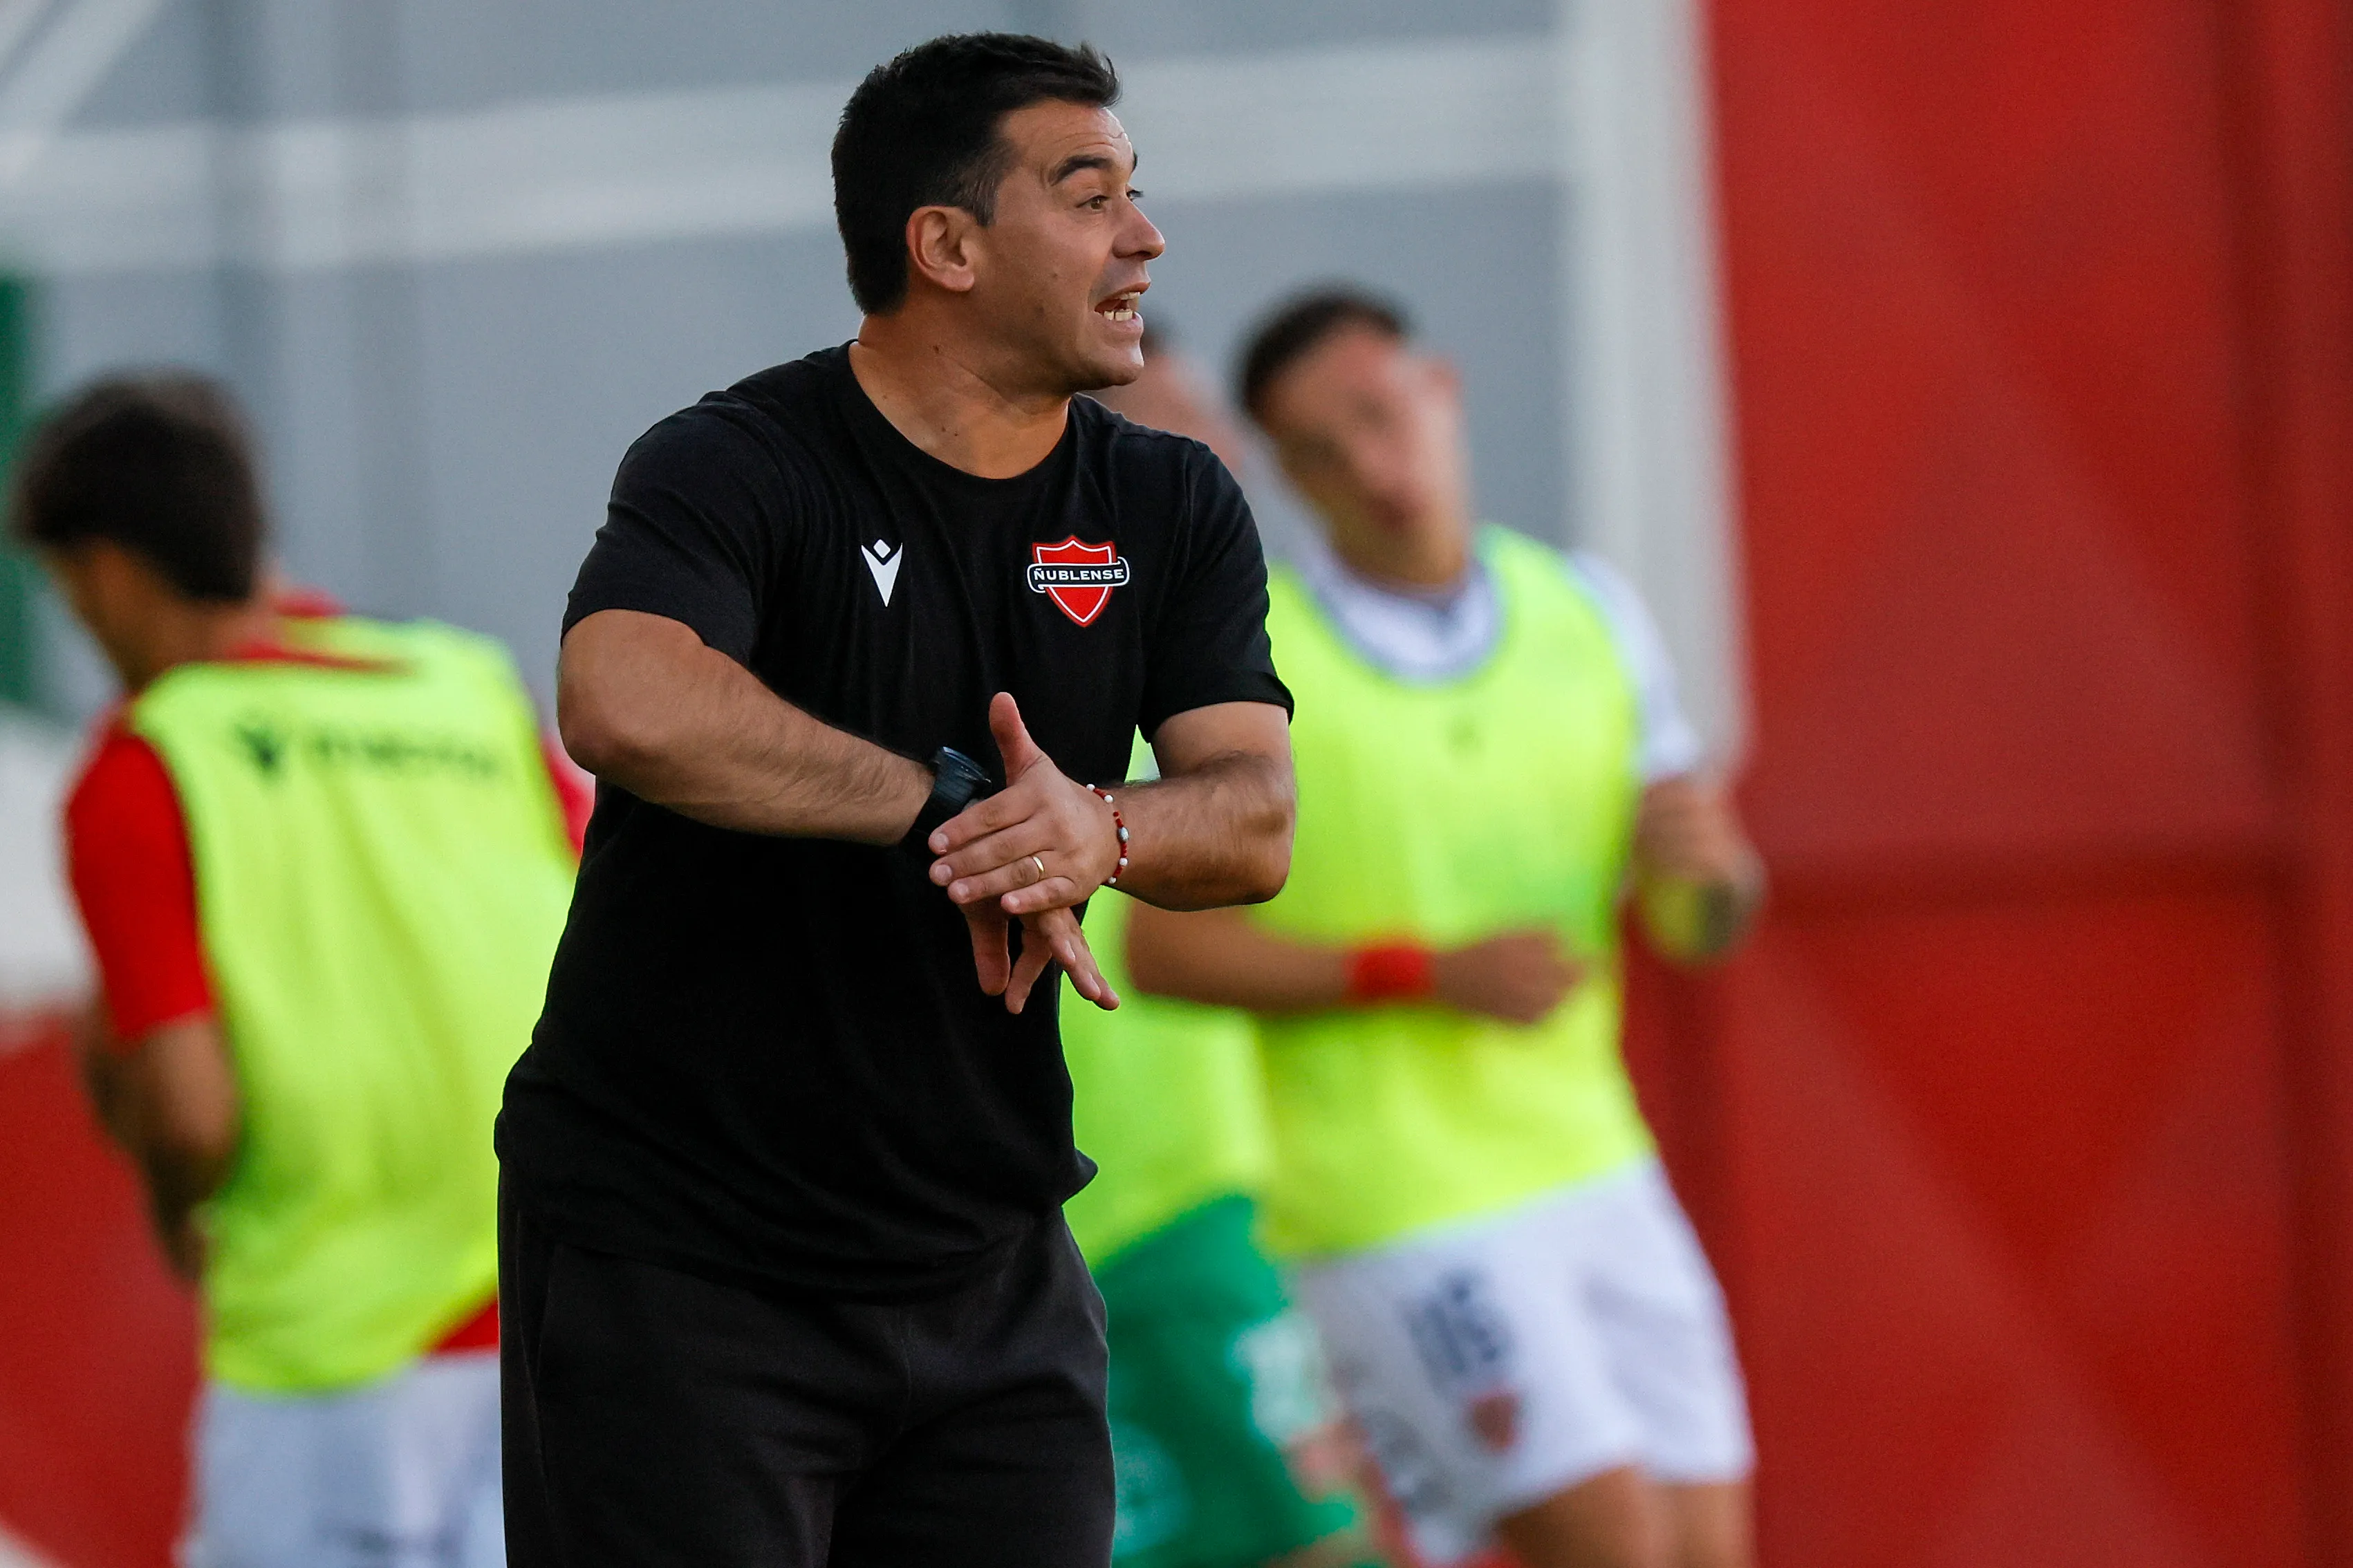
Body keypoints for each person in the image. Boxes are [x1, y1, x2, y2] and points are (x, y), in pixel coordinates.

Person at [493, 35, 1296, 1568]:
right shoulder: (739, 461)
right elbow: (621, 697)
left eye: (1139, 195)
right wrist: (957, 808)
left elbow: (1252, 814)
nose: (1147, 238)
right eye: (1091, 197)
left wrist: (1095, 831)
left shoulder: (1169, 501)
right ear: (945, 246)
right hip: (685, 1261)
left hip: (992, 1271)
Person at [1125, 290, 1765, 1568]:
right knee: (1609, 1545)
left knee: (1706, 1545)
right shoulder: (1260, 671)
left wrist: (1714, 877)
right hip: (1393, 1204)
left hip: (1594, 1158)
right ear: (1286, 476)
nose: (1372, 467)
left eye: (1379, 416)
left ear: (1441, 390)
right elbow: (1164, 949)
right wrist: (1418, 973)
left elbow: (1697, 922)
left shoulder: (1586, 614)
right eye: (1321, 451)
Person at [18, 373, 584, 1568]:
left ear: (107, 571)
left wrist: (179, 1205)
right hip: (567, 1327)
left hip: (331, 1363)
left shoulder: (150, 762)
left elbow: (191, 1106)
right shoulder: (467, 691)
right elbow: (627, 957)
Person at [1067, 337, 1381, 1568]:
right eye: (1175, 424)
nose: (1225, 457)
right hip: (1032, 1236)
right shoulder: (992, 637)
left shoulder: (1251, 660)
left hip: (1189, 1200)